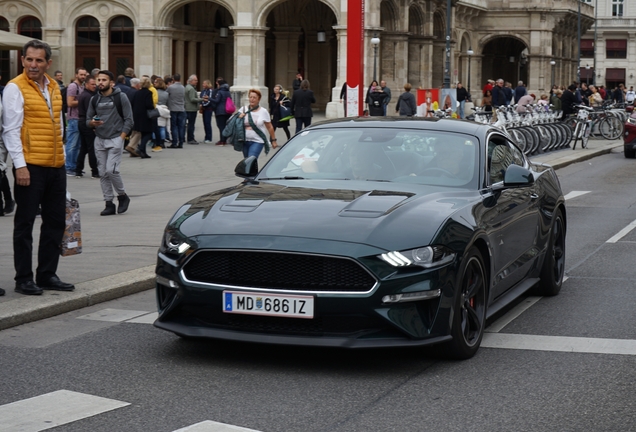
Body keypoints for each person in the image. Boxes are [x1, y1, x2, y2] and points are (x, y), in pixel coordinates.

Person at [2, 39, 74, 295]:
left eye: (38, 60)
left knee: (55, 222)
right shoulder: (15, 88)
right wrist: (20, 166)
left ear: (48, 63)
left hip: (56, 165)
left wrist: (63, 159)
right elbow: (10, 130)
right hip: (30, 165)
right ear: (22, 60)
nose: (33, 65)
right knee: (25, 223)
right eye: (29, 59)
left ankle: (46, 274)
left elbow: (59, 127)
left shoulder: (54, 86)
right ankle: (23, 278)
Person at [86, 70, 133, 216]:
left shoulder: (121, 97)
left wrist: (121, 137)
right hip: (99, 139)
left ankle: (122, 196)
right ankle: (108, 203)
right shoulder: (94, 99)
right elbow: (87, 120)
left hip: (115, 138)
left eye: (104, 80)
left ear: (111, 82)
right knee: (103, 173)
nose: (100, 83)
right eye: (98, 80)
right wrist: (92, 123)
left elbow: (129, 119)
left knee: (111, 170)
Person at [237, 89, 279, 158]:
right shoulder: (243, 109)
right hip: (244, 140)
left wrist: (273, 140)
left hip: (258, 141)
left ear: (259, 99)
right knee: (247, 162)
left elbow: (269, 127)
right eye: (250, 97)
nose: (252, 99)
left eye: (254, 97)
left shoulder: (263, 111)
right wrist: (239, 116)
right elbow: (235, 121)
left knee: (251, 159)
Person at [65, 67, 88, 176]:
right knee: (72, 144)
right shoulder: (73, 86)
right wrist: (82, 101)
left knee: (78, 144)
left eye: (84, 75)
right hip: (74, 118)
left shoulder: (82, 86)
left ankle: (74, 166)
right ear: (76, 75)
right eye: (81, 75)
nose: (83, 76)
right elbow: (70, 103)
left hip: (80, 118)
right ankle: (69, 167)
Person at [76, 75, 100, 178]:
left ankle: (78, 170)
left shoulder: (84, 94)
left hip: (81, 122)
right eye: (92, 84)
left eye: (95, 84)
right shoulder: (88, 97)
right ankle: (94, 171)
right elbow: (90, 112)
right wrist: (94, 125)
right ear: (86, 84)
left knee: (84, 147)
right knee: (91, 148)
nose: (94, 86)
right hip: (87, 123)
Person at [130, 76, 155, 158]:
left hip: (137, 115)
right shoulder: (148, 93)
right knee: (148, 132)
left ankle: (143, 153)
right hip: (145, 115)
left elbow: (133, 103)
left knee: (142, 133)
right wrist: (153, 107)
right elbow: (148, 105)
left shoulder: (137, 92)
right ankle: (141, 148)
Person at [167, 73, 186, 148]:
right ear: (180, 79)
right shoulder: (183, 87)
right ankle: (181, 142)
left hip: (173, 108)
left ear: (173, 79)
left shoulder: (171, 87)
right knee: (181, 126)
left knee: (174, 126)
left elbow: (166, 95)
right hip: (181, 108)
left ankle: (174, 142)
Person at [185, 74, 204, 145]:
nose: (197, 81)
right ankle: (190, 138)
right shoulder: (191, 89)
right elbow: (192, 99)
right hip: (191, 109)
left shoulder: (187, 87)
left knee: (189, 124)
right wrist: (202, 99)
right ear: (191, 81)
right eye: (195, 80)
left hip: (187, 108)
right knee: (191, 124)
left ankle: (188, 138)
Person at [211, 78, 232, 146]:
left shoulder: (220, 92)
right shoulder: (228, 92)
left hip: (220, 111)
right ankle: (225, 139)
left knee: (221, 126)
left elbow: (217, 101)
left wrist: (209, 98)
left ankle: (222, 140)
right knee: (225, 126)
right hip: (227, 111)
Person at [153, 77, 170, 151]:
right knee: (162, 127)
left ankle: (154, 142)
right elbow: (168, 102)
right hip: (164, 109)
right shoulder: (166, 93)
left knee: (155, 127)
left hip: (155, 109)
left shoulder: (154, 92)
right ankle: (162, 142)